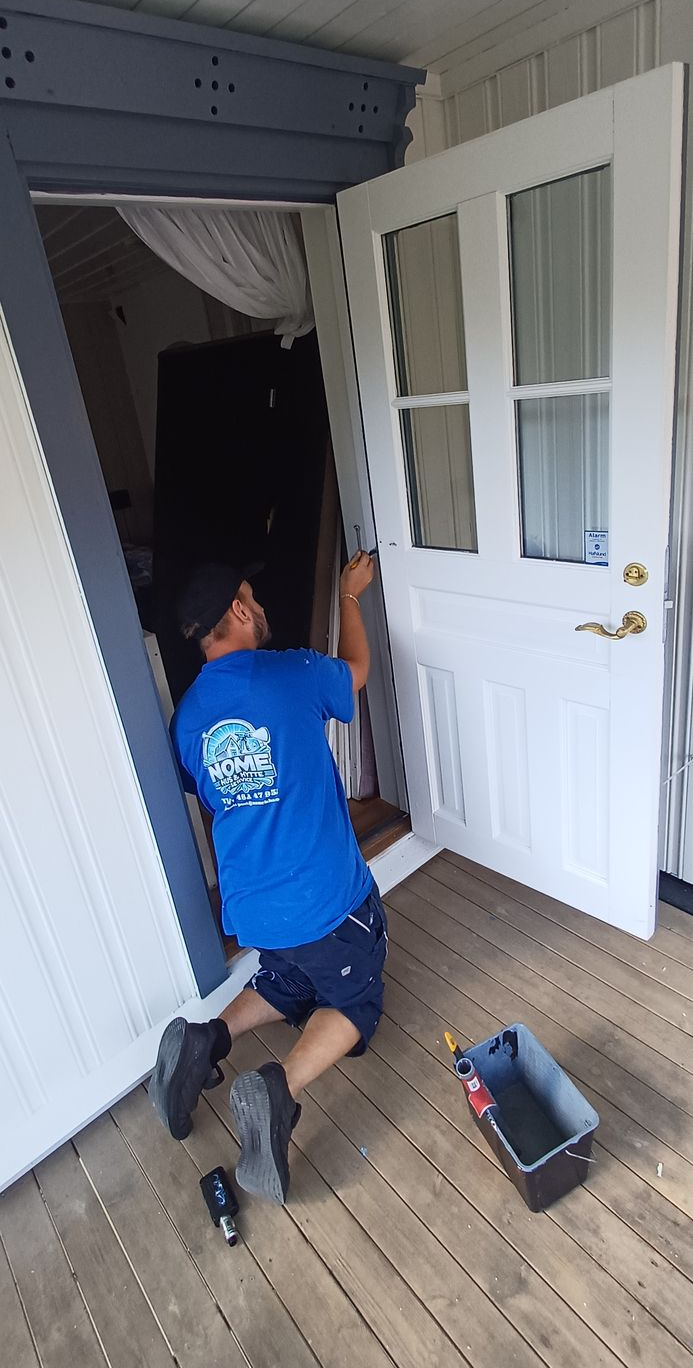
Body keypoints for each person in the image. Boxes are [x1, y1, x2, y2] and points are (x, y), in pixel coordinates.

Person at [150, 551, 387, 1205]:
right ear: (237, 609)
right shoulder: (294, 673)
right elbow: (359, 672)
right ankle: (276, 1090)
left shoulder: (189, 720)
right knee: (355, 997)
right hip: (324, 903)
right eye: (250, 595)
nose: (258, 604)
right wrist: (348, 597)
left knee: (286, 974)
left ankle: (207, 1039)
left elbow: (209, 794)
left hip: (252, 911)